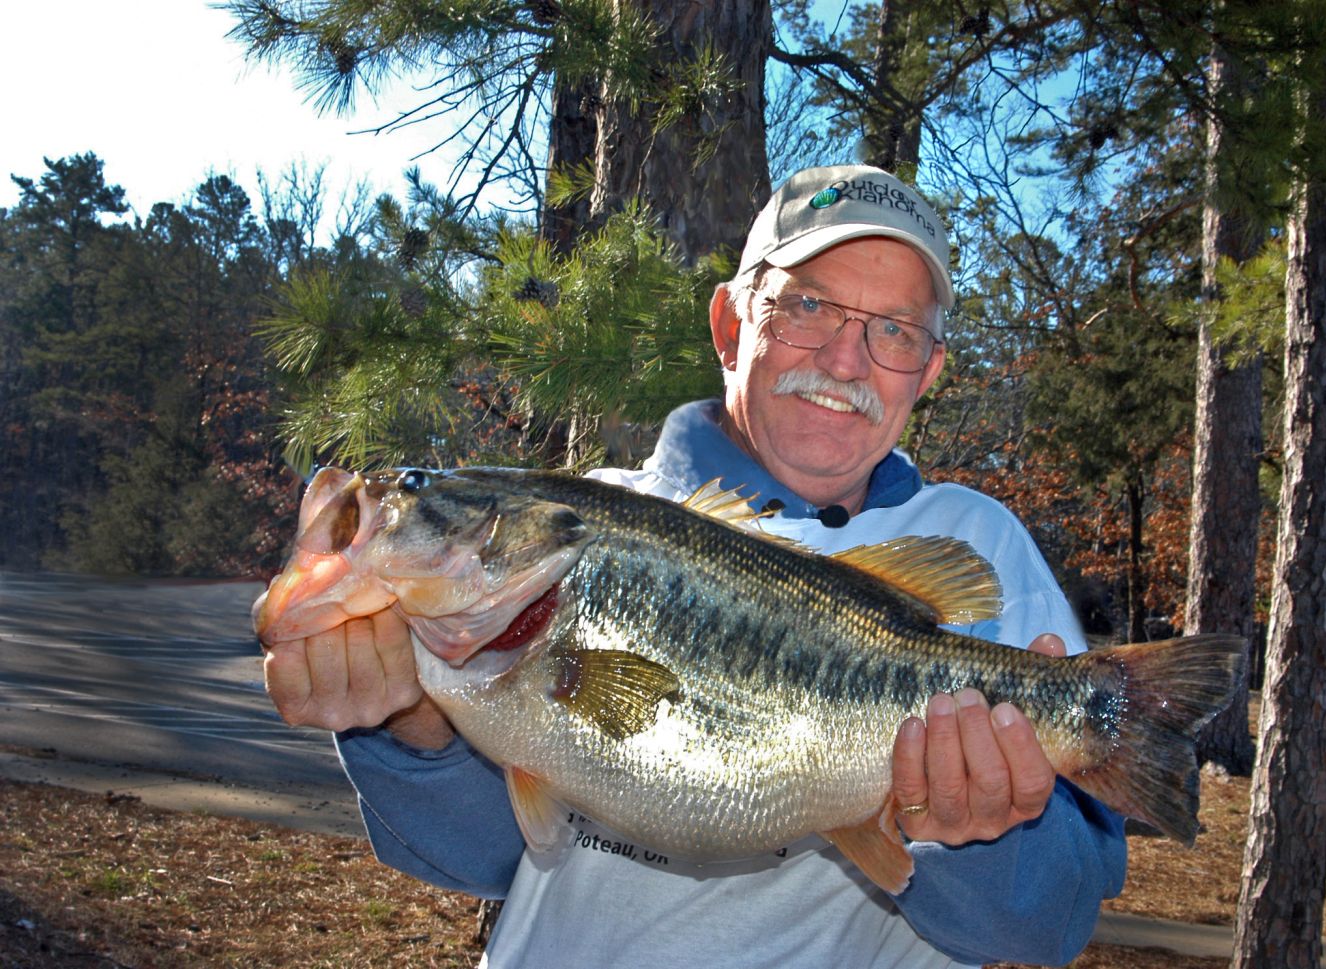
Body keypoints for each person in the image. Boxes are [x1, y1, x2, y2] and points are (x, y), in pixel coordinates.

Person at [262, 165, 1127, 968]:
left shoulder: (979, 541)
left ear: (927, 372)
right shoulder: (590, 519)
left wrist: (977, 831)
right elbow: (483, 855)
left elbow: (1049, 923)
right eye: (810, 307)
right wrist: (412, 728)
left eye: (894, 331)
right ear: (730, 323)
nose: (844, 359)